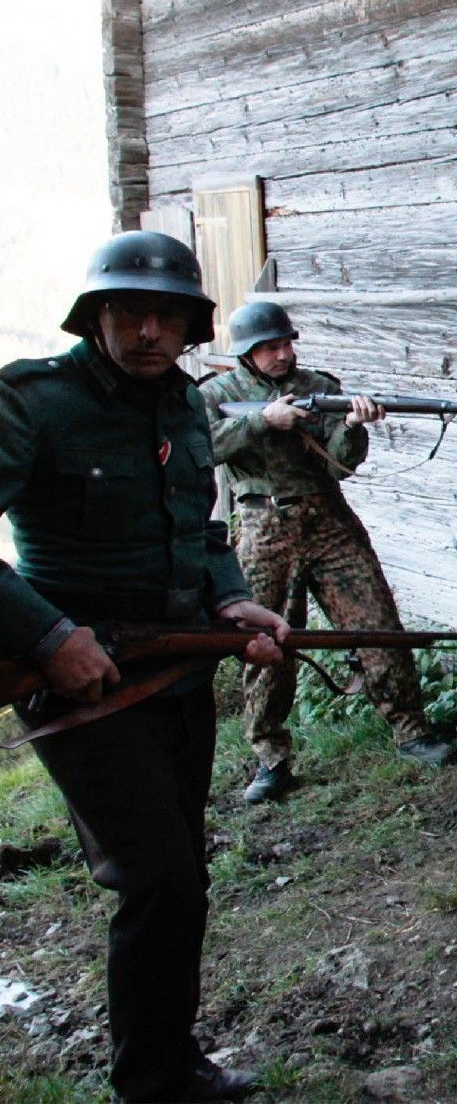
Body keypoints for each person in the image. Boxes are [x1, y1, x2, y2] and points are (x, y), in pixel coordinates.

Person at [0, 230, 290, 1101]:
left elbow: (199, 529)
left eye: (168, 316)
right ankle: (153, 1081)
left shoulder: (181, 405)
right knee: (157, 875)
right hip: (78, 681)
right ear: (97, 315)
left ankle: (169, 1061)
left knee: (180, 878)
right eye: (131, 312)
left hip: (177, 670)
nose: (149, 332)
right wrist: (51, 635)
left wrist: (231, 595)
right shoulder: (34, 402)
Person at [198, 301, 455, 802]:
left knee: (378, 624)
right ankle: (271, 758)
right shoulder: (216, 395)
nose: (284, 353)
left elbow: (341, 467)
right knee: (267, 643)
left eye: (287, 343)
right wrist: (262, 422)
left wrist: (353, 426)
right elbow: (201, 446)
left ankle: (411, 731)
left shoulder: (320, 386)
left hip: (329, 520)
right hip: (263, 525)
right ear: (247, 353)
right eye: (272, 347)